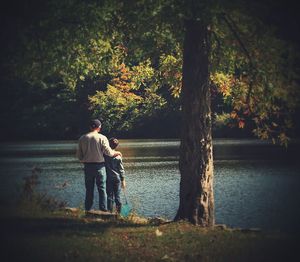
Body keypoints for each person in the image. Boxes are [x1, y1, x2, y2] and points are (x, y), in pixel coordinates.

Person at [76, 119, 121, 212]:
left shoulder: (82, 138)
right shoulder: (102, 137)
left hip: (87, 167)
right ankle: (103, 210)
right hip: (99, 167)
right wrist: (117, 153)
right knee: (102, 189)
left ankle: (87, 209)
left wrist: (86, 159)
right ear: (99, 127)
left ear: (90, 127)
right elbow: (109, 152)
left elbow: (79, 156)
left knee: (89, 189)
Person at [104, 138, 126, 213]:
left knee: (109, 197)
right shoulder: (118, 156)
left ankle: (109, 213)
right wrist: (123, 180)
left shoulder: (104, 155)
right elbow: (121, 169)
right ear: (116, 146)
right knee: (117, 196)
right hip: (117, 178)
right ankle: (118, 214)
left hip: (108, 178)